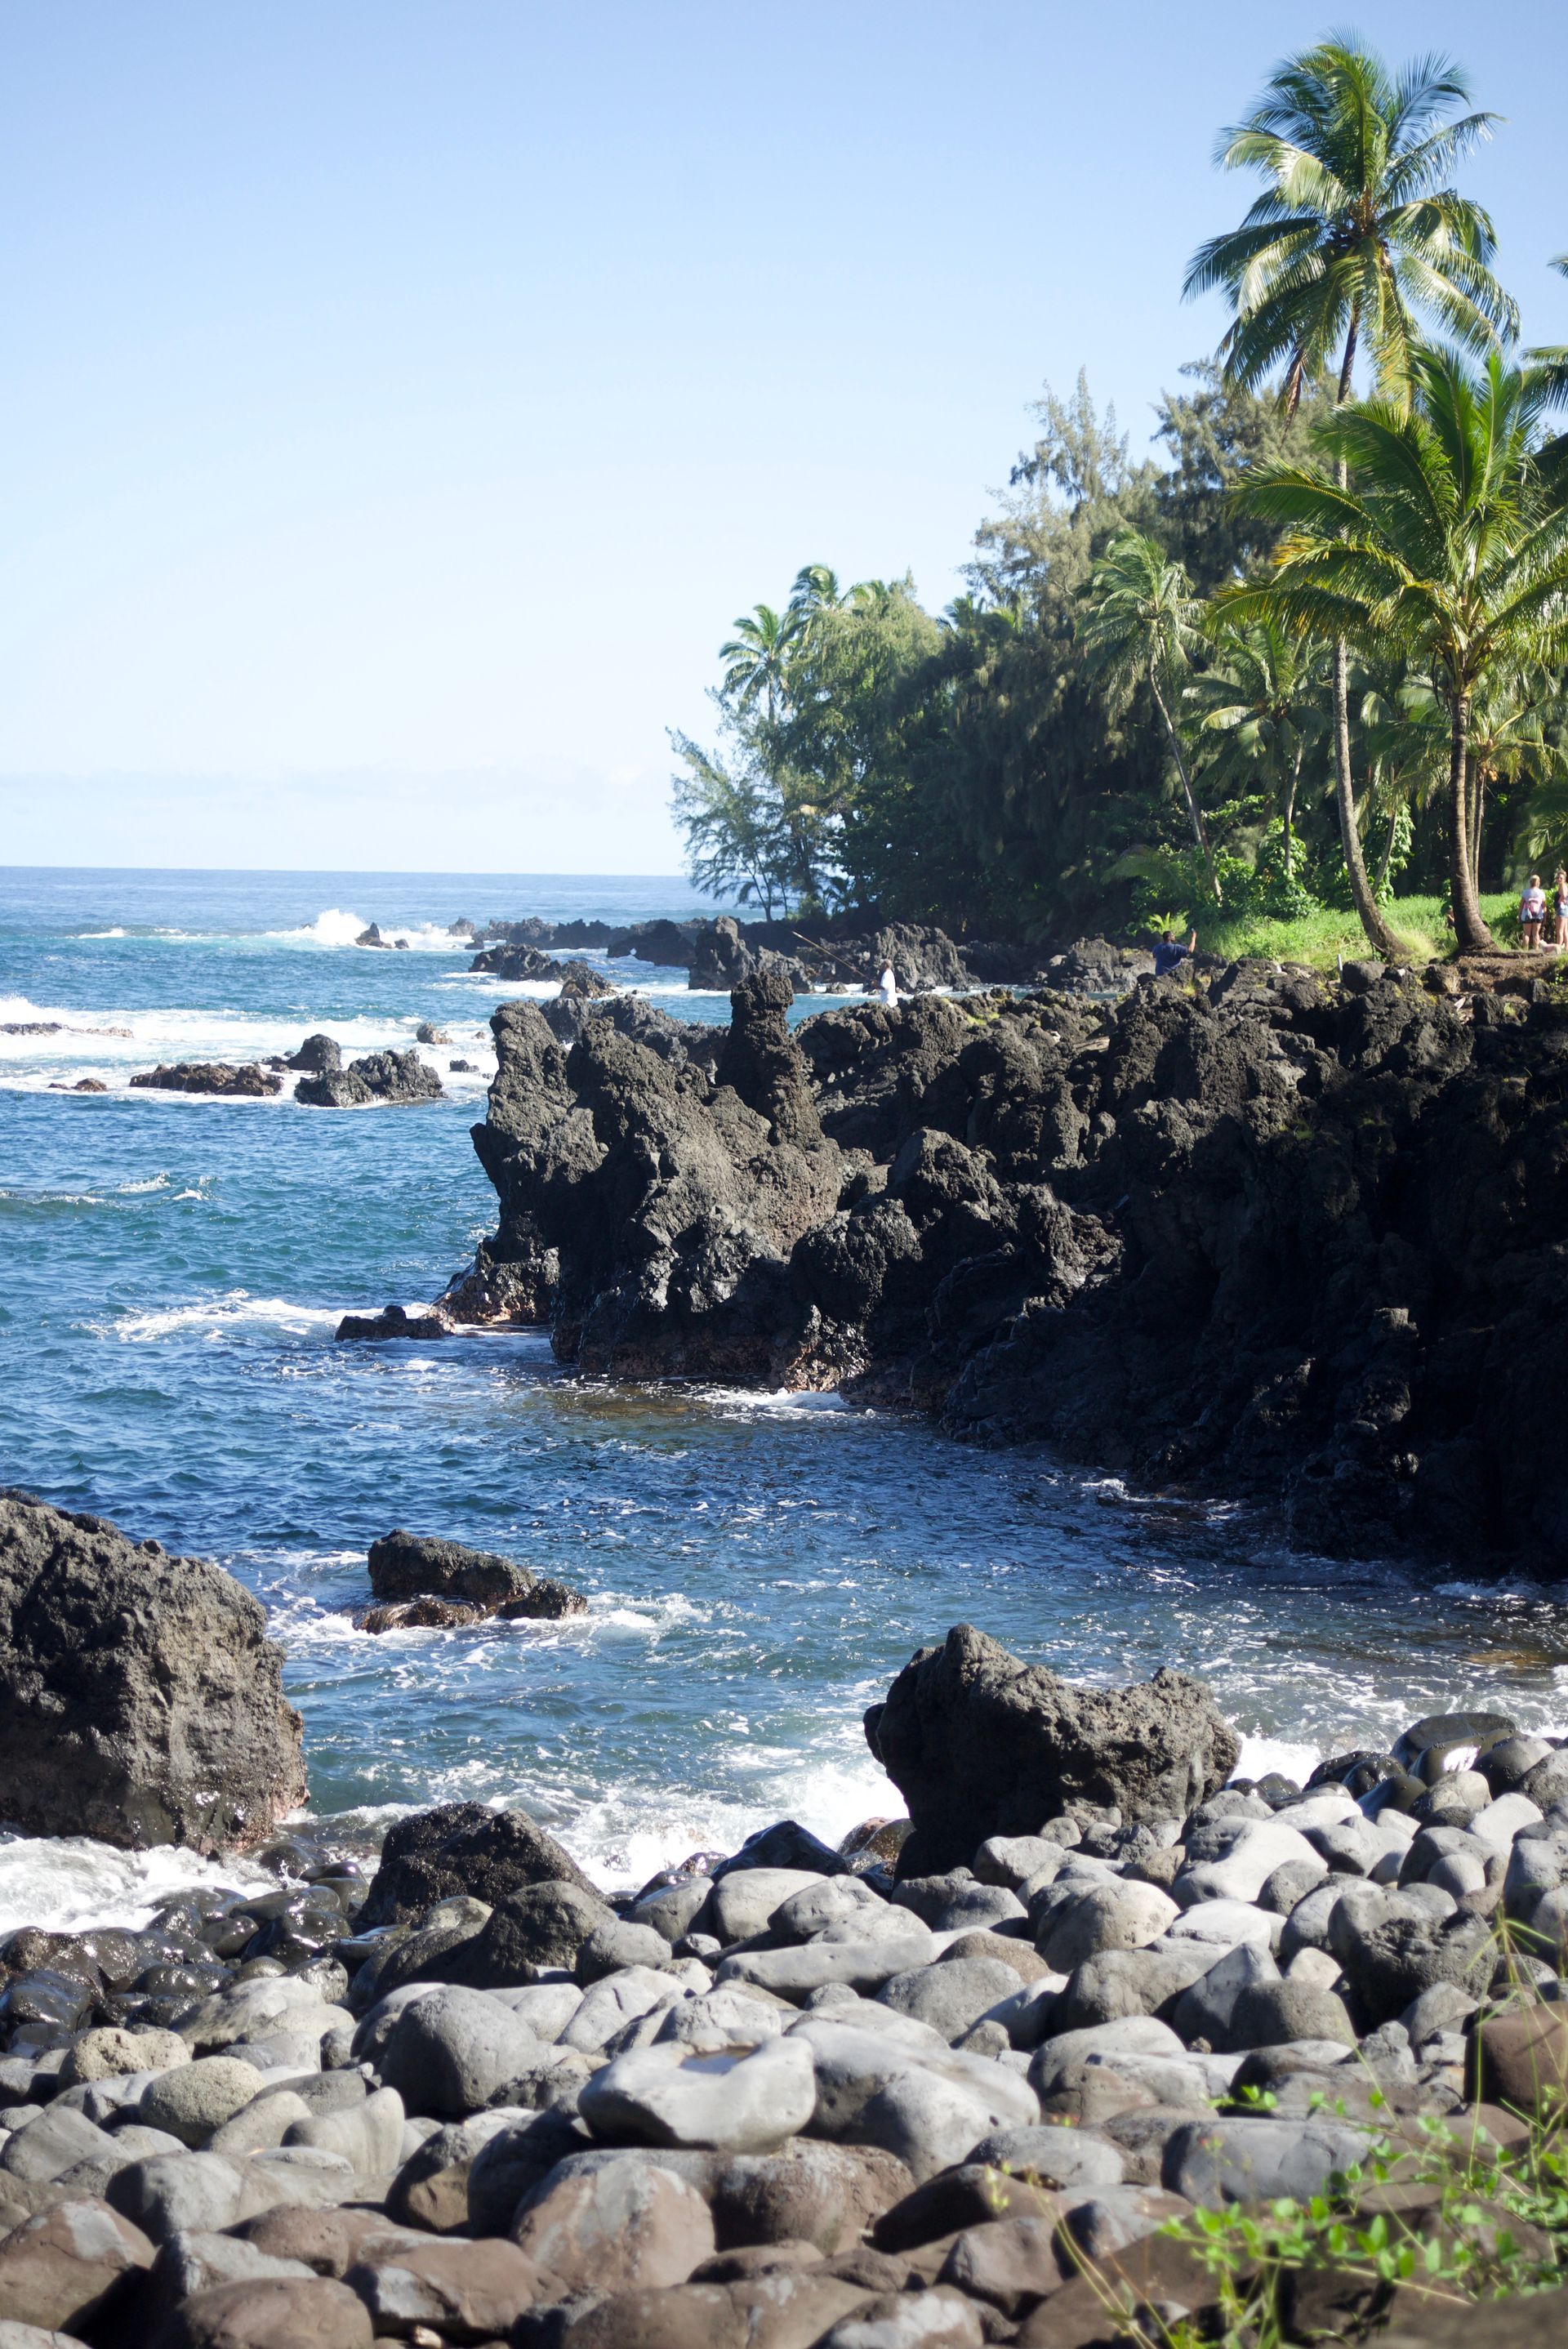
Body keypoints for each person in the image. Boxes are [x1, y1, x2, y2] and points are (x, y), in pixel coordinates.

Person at [1520, 873, 1547, 949]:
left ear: (1530, 882)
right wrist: (1545, 917)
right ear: (1538, 883)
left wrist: (1519, 915)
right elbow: (1544, 906)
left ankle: (1525, 950)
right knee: (1536, 934)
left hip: (1527, 915)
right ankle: (1536, 950)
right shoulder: (1541, 893)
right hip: (1538, 915)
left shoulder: (1526, 892)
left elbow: (1521, 905)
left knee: (1526, 934)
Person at [1554, 868, 1568, 952]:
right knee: (1565, 930)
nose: (1559, 879)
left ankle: (1558, 949)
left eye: (1561, 878)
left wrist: (1558, 903)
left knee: (1560, 931)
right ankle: (1566, 948)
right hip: (1565, 909)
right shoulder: (1564, 886)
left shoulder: (1563, 886)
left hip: (1561, 909)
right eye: (1558, 878)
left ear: (1564, 879)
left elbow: (1564, 896)